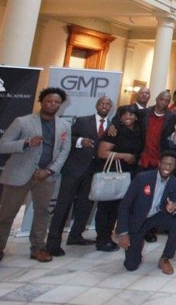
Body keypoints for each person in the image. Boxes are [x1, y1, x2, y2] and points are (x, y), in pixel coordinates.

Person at [0, 88, 72, 280]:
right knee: (6, 216)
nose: (52, 105)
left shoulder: (64, 125)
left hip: (46, 175)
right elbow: (1, 146)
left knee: (42, 213)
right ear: (41, 102)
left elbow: (64, 150)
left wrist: (49, 171)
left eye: (56, 103)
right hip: (19, 174)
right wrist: (27, 142)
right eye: (49, 101)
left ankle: (38, 247)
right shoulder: (23, 121)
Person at [46, 95, 112, 256]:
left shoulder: (112, 126)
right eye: (101, 103)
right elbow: (68, 138)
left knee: (85, 206)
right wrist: (80, 141)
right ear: (96, 105)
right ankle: (53, 242)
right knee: (63, 205)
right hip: (74, 169)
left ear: (111, 108)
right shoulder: (83, 121)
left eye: (108, 104)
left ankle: (75, 235)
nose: (104, 106)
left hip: (94, 172)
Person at [117, 151, 176, 274]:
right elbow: (124, 205)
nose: (167, 167)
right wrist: (123, 233)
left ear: (175, 167)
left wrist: (173, 208)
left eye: (171, 165)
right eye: (164, 163)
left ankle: (165, 259)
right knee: (131, 266)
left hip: (157, 216)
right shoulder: (142, 178)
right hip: (137, 219)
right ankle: (138, 243)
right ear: (159, 164)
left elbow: (175, 205)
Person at [94, 106, 144, 252]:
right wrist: (123, 156)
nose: (128, 116)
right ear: (120, 117)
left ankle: (109, 236)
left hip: (130, 174)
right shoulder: (114, 131)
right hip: (113, 173)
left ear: (136, 117)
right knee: (106, 208)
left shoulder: (139, 131)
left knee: (119, 207)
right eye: (125, 114)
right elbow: (102, 152)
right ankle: (102, 239)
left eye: (131, 114)